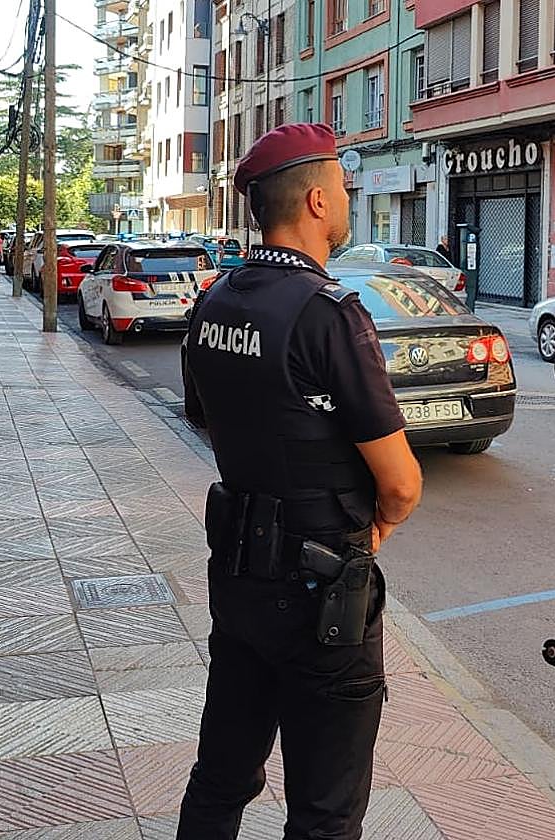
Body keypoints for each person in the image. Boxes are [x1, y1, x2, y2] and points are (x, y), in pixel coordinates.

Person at [178, 123, 423, 840]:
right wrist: (374, 528)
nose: (346, 201)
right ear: (317, 201)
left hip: (240, 575)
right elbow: (402, 482)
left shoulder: (215, 302)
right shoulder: (328, 314)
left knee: (221, 776)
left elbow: (204, 414)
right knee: (325, 808)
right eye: (343, 189)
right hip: (323, 595)